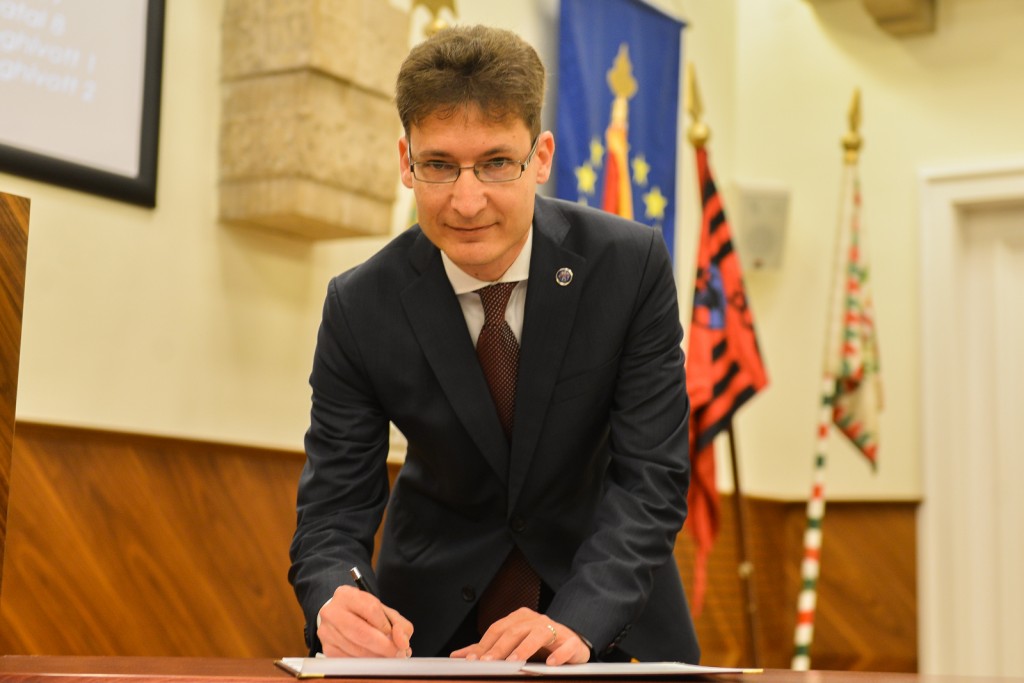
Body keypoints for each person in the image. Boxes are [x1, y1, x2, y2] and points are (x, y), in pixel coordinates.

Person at [288, 24, 699, 666]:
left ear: (542, 157)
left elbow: (652, 479)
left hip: (608, 621)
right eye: (439, 166)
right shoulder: (360, 305)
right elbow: (333, 509)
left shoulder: (628, 267)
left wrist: (577, 623)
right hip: (427, 633)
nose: (466, 200)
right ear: (406, 162)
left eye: (497, 163)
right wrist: (333, 597)